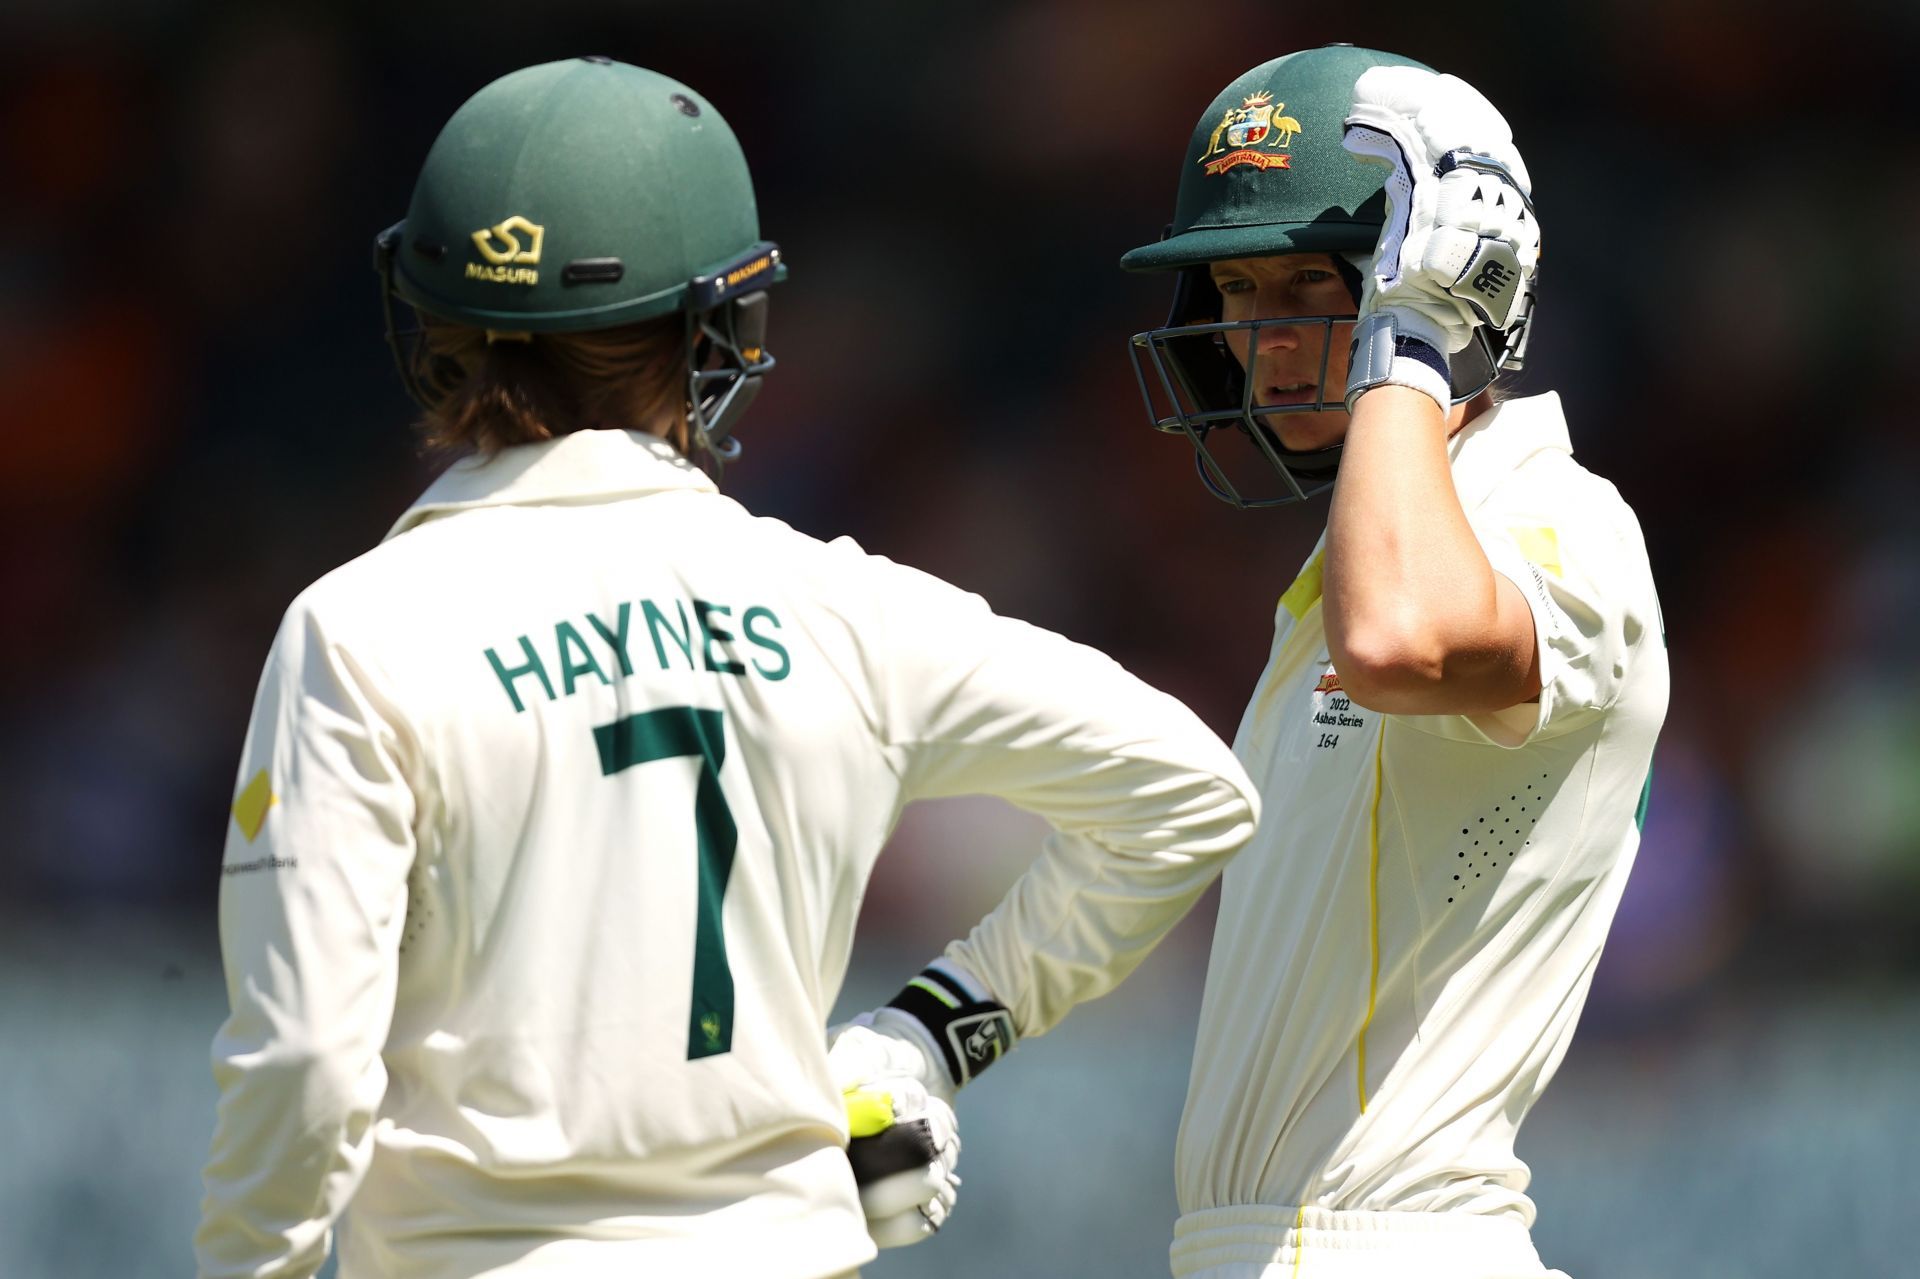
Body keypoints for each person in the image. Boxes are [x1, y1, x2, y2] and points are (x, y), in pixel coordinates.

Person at [193, 57, 1260, 1279]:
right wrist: (923, 1041)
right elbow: (1190, 789)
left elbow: (308, 1062)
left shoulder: (359, 629)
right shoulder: (838, 607)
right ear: (723, 325)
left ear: (430, 327)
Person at [836, 43, 1667, 1279]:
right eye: (1236, 287)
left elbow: (1400, 642)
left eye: (1310, 289)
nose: (1259, 339)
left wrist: (1412, 332)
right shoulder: (1340, 579)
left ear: (1449, 280)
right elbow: (1177, 834)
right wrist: (919, 1039)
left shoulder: (1558, 523)